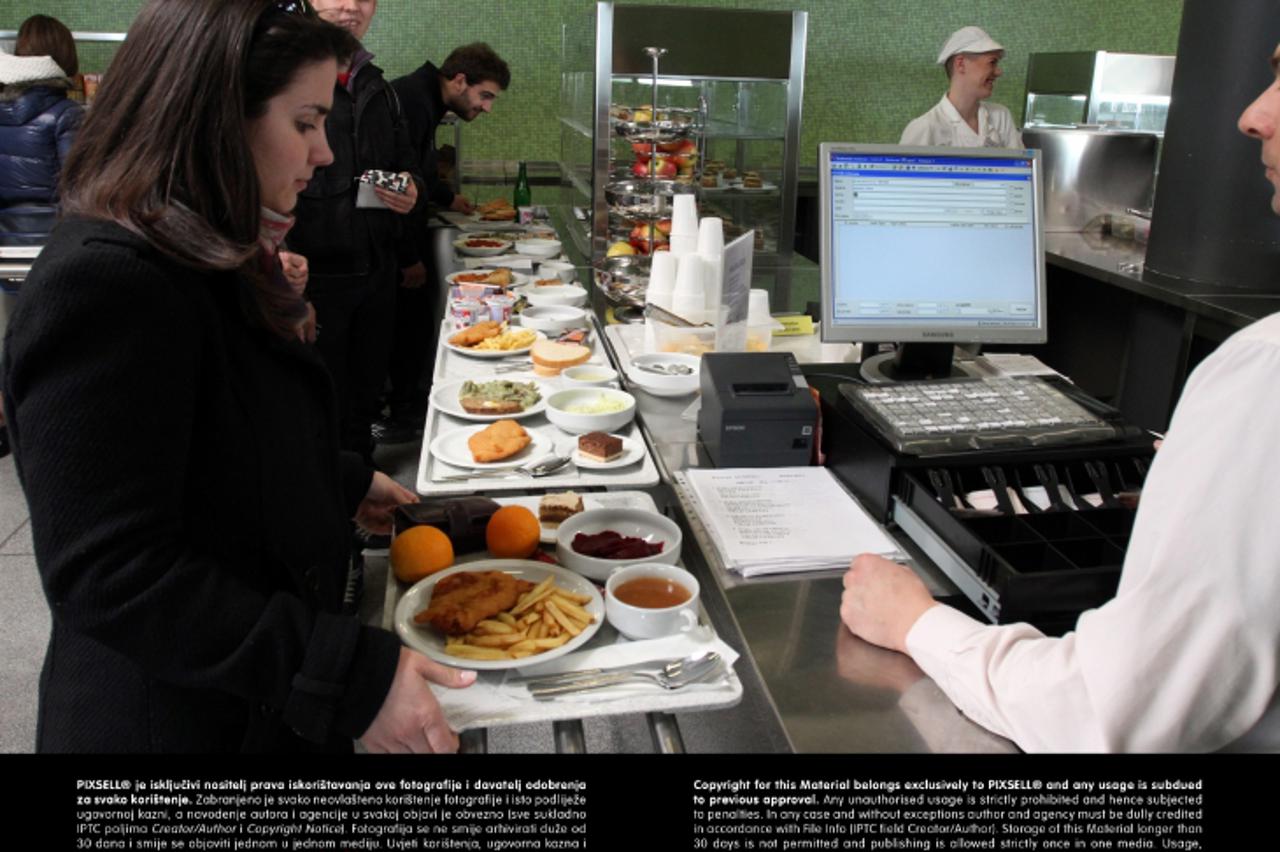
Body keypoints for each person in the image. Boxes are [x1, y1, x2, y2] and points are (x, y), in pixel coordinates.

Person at [2, 0, 472, 754]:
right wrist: (340, 674)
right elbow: (114, 571)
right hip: (175, 727)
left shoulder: (205, 249)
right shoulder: (104, 285)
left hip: (251, 704)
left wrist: (341, 477)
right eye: (306, 122)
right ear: (214, 118)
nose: (323, 155)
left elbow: (221, 432)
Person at [841, 43, 1280, 753]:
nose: (1251, 115)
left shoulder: (1266, 375)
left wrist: (914, 623)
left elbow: (1100, 712)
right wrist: (1193, 476)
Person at [286, 0, 423, 465]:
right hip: (313, 276)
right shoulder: (279, 71)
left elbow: (406, 166)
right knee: (316, 405)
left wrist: (411, 189)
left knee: (363, 401)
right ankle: (329, 518)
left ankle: (361, 505)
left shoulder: (376, 84)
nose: (351, 6)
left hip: (375, 270)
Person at [375, 43, 511, 444]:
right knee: (408, 331)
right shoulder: (411, 102)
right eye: (485, 96)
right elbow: (395, 187)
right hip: (392, 244)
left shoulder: (423, 99)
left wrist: (448, 197)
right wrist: (408, 257)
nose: (487, 108)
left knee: (413, 328)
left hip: (401, 241)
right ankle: (401, 416)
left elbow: (418, 171)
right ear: (458, 80)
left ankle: (409, 409)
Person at [0, 14, 84, 244]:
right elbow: (77, 187)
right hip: (54, 239)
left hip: (5, 240)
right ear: (66, 58)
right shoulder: (67, 114)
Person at [899, 26, 1022, 148]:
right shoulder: (925, 128)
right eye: (992, 62)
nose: (999, 72)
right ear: (961, 64)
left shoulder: (1000, 117)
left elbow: (1023, 165)